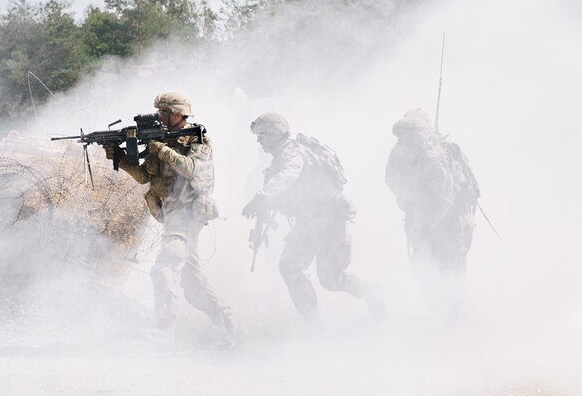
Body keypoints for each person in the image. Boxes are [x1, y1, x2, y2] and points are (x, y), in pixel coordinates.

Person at [104, 91, 240, 347]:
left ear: (178, 113)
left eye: (164, 112)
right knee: (191, 282)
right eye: (159, 112)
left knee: (165, 267)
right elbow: (146, 176)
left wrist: (162, 149)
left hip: (189, 213)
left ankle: (164, 332)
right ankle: (231, 326)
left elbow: (191, 169)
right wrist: (120, 158)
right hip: (172, 214)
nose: (160, 117)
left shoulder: (197, 139)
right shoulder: (161, 139)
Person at [243, 111, 384, 322]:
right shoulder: (281, 156)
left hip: (327, 221)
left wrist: (262, 197)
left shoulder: (293, 153)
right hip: (307, 223)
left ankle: (371, 293)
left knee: (330, 280)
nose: (259, 140)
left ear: (274, 133)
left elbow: (288, 176)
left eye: (262, 135)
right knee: (289, 267)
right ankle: (312, 321)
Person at [384, 108, 479, 315]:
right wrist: (407, 199)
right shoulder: (401, 152)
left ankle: (464, 317)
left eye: (409, 134)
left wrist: (426, 224)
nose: (403, 140)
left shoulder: (433, 158)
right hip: (423, 222)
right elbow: (390, 178)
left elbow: (444, 197)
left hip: (452, 225)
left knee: (449, 274)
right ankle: (439, 310)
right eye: (402, 135)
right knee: (422, 267)